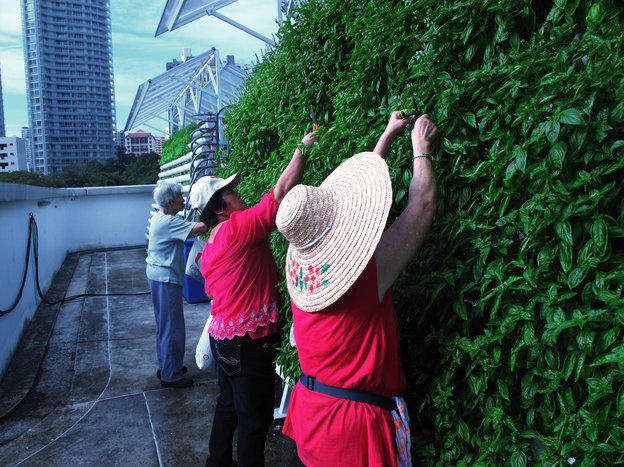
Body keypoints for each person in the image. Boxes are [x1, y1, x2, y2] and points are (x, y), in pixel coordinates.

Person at [276, 111, 438, 466]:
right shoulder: (366, 278)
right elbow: (422, 208)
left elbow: (359, 197)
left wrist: (387, 136)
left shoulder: (305, 279)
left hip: (313, 416)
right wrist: (420, 149)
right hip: (354, 431)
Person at [189, 131, 318, 467]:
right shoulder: (236, 229)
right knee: (255, 421)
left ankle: (217, 462)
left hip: (223, 340)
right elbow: (280, 194)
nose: (238, 194)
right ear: (219, 209)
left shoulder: (210, 245)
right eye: (230, 193)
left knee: (228, 404)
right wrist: (303, 148)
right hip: (248, 343)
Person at [146, 181, 208, 388]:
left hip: (158, 277)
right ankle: (171, 375)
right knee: (172, 327)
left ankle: (167, 366)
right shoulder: (167, 222)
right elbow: (199, 229)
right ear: (171, 202)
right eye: (181, 198)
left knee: (164, 325)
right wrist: (216, 211)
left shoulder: (162, 218)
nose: (184, 200)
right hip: (165, 279)